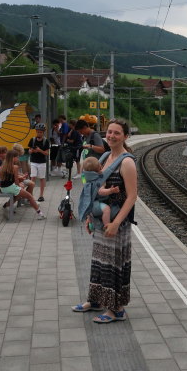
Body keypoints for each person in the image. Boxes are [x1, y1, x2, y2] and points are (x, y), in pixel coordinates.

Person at [72, 119, 137, 323]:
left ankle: (116, 309)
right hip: (102, 220)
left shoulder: (127, 162)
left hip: (117, 222)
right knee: (100, 262)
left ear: (125, 136)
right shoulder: (106, 156)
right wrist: (90, 217)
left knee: (114, 264)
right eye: (109, 132)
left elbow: (132, 196)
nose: (111, 136)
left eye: (117, 133)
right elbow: (94, 188)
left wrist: (116, 223)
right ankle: (97, 300)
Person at [0, 149, 44, 219]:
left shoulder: (4, 165)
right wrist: (20, 187)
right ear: (13, 158)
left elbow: (9, 179)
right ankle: (40, 214)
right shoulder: (15, 167)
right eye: (17, 157)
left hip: (3, 188)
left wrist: (21, 181)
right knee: (30, 196)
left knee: (18, 195)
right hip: (10, 187)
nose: (18, 158)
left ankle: (6, 206)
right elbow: (16, 182)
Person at [79, 156, 120, 228]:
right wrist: (111, 190)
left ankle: (92, 225)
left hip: (89, 205)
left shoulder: (87, 179)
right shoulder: (98, 181)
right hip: (94, 205)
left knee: (93, 216)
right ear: (99, 167)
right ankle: (106, 225)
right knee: (106, 209)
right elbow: (101, 192)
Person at [28, 123, 50, 202]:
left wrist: (39, 150)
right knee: (32, 177)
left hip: (42, 162)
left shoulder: (46, 141)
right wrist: (32, 151)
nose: (39, 133)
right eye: (38, 132)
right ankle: (30, 195)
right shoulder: (33, 140)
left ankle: (41, 195)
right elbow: (29, 151)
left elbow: (47, 153)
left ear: (43, 132)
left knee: (42, 178)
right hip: (33, 161)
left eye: (40, 132)